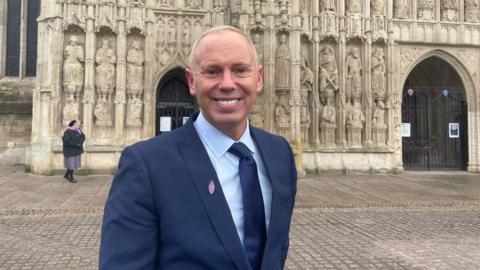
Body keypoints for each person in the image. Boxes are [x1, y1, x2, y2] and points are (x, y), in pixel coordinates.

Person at [99, 25, 297, 270]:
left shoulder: (280, 154)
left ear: (258, 78)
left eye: (240, 70)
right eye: (212, 71)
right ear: (191, 81)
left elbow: (275, 250)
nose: (227, 83)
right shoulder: (146, 166)